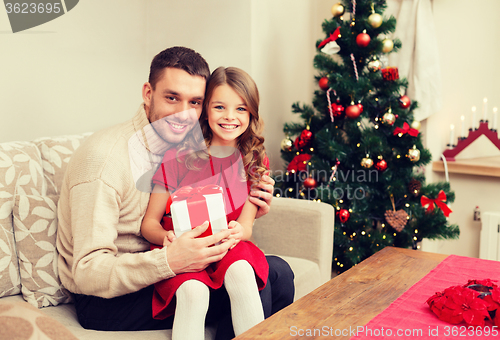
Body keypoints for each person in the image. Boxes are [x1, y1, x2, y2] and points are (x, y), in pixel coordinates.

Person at [56, 47, 294, 339]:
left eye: (194, 102)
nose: (184, 114)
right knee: (271, 278)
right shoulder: (104, 161)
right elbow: (88, 272)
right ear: (148, 93)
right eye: (172, 98)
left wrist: (251, 208)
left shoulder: (186, 145)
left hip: (173, 264)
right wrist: (171, 260)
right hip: (110, 298)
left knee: (275, 272)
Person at [141, 66, 270, 339]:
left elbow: (246, 226)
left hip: (227, 245)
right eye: (220, 107)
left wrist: (239, 231)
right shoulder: (178, 155)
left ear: (252, 113)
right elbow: (149, 224)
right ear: (205, 109)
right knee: (193, 293)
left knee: (242, 273)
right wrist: (168, 238)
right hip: (184, 248)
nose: (230, 117)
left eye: (241, 109)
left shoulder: (255, 161)